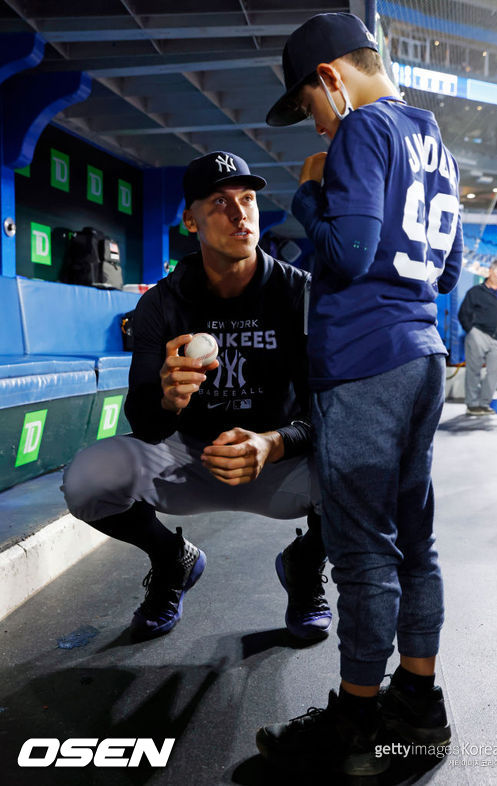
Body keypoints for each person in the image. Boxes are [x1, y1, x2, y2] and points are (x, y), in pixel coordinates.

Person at [256, 12, 463, 777]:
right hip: (421, 355)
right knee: (416, 543)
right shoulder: (430, 136)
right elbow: (445, 272)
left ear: (332, 78)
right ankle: (418, 705)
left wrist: (310, 195)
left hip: (364, 361)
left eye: (309, 104)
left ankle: (358, 724)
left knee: (363, 553)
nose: (314, 124)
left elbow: (346, 252)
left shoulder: (361, 131)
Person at [62, 150, 331, 643]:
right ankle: (172, 563)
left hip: (277, 458)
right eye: (219, 202)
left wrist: (274, 442)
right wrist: (166, 399)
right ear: (191, 220)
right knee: (87, 479)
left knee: (371, 472)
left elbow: (329, 411)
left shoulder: (301, 294)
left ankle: (305, 565)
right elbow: (143, 424)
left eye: (247, 199)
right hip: (189, 456)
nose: (240, 213)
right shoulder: (161, 303)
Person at [458, 260, 497, 415]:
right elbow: (463, 313)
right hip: (479, 335)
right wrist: (471, 331)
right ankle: (472, 405)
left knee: (496, 371)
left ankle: (484, 404)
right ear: (490, 272)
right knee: (474, 371)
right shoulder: (476, 292)